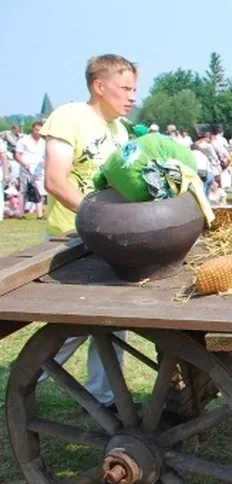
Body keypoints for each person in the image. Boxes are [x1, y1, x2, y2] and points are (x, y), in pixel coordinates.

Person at [40, 54, 137, 407]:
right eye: (125, 87)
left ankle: (105, 397)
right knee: (73, 325)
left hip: (106, 239)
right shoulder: (69, 117)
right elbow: (55, 180)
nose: (132, 96)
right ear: (99, 85)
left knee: (112, 323)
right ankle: (27, 381)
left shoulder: (121, 130)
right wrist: (98, 218)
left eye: (134, 89)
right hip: (72, 239)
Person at [15, 121, 46, 219]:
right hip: (26, 169)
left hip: (39, 169)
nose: (38, 132)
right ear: (33, 129)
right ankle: (21, 214)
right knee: (23, 191)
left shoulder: (44, 142)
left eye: (40, 130)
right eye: (36, 130)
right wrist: (23, 164)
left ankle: (39, 214)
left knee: (40, 191)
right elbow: (17, 154)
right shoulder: (23, 140)